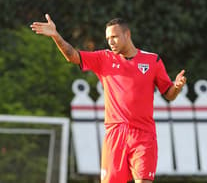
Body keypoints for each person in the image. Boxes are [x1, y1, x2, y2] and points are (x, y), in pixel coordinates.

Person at [31, 14, 187, 183]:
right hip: (115, 134)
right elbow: (72, 56)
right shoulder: (104, 58)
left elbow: (169, 94)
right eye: (108, 38)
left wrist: (176, 87)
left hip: (143, 135)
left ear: (127, 35)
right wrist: (56, 36)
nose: (110, 42)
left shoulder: (152, 60)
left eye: (114, 37)